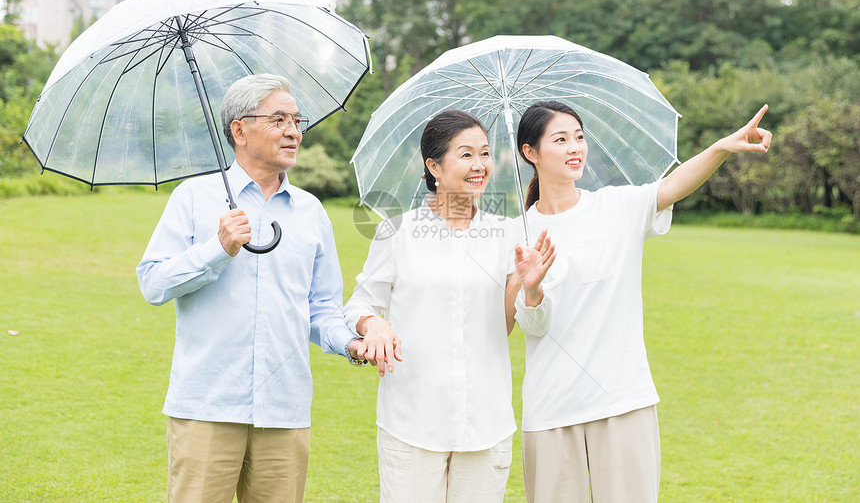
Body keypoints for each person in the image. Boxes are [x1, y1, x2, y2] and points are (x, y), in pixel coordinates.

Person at [136, 74, 393, 503]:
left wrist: (351, 342)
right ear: (239, 130)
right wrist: (217, 249)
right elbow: (154, 283)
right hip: (207, 408)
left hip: (285, 410)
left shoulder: (311, 213)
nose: (293, 131)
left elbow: (322, 310)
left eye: (297, 120)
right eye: (278, 119)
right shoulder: (194, 198)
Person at [514, 100, 772, 502]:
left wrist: (721, 147)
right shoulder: (518, 233)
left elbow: (672, 186)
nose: (574, 148)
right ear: (530, 153)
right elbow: (531, 326)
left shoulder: (616, 207)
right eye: (560, 140)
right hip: (550, 412)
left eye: (579, 138)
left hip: (622, 403)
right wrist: (532, 288)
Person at [343, 109, 556, 503]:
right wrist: (372, 324)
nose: (480, 166)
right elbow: (361, 301)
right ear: (434, 166)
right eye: (466, 154)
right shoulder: (399, 231)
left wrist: (527, 286)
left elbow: (508, 324)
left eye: (485, 153)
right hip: (412, 421)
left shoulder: (506, 234)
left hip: (485, 421)